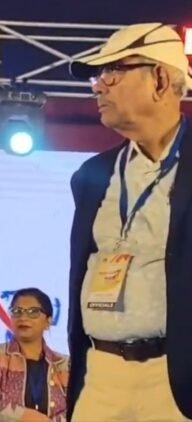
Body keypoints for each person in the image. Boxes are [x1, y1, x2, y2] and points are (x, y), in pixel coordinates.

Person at [67, 22, 192, 420]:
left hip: (173, 380)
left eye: (113, 72)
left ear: (160, 79)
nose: (98, 87)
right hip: (100, 375)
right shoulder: (92, 175)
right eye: (97, 76)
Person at [0, 288, 69, 422]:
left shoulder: (64, 365)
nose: (23, 318)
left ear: (48, 321)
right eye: (17, 312)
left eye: (33, 312)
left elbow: (77, 410)